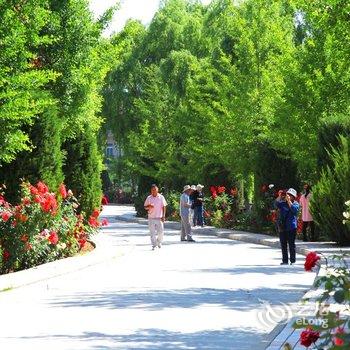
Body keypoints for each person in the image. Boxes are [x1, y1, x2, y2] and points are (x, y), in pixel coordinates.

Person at [275, 188, 300, 265]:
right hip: (283, 227)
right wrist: (279, 196)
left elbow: (294, 210)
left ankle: (293, 261)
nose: (288, 196)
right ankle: (285, 260)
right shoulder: (282, 203)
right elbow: (276, 204)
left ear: (293, 197)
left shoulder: (296, 204)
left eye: (290, 195)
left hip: (291, 227)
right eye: (287, 195)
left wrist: (289, 201)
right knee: (283, 244)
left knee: (291, 244)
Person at [144, 184, 167, 250]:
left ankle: (159, 242)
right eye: (152, 190)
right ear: (151, 191)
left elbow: (164, 206)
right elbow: (145, 207)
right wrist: (149, 206)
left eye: (155, 190)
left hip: (159, 217)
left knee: (161, 232)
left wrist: (164, 215)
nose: (154, 191)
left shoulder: (161, 197)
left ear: (157, 190)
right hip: (151, 217)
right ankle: (154, 244)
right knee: (152, 232)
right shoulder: (149, 198)